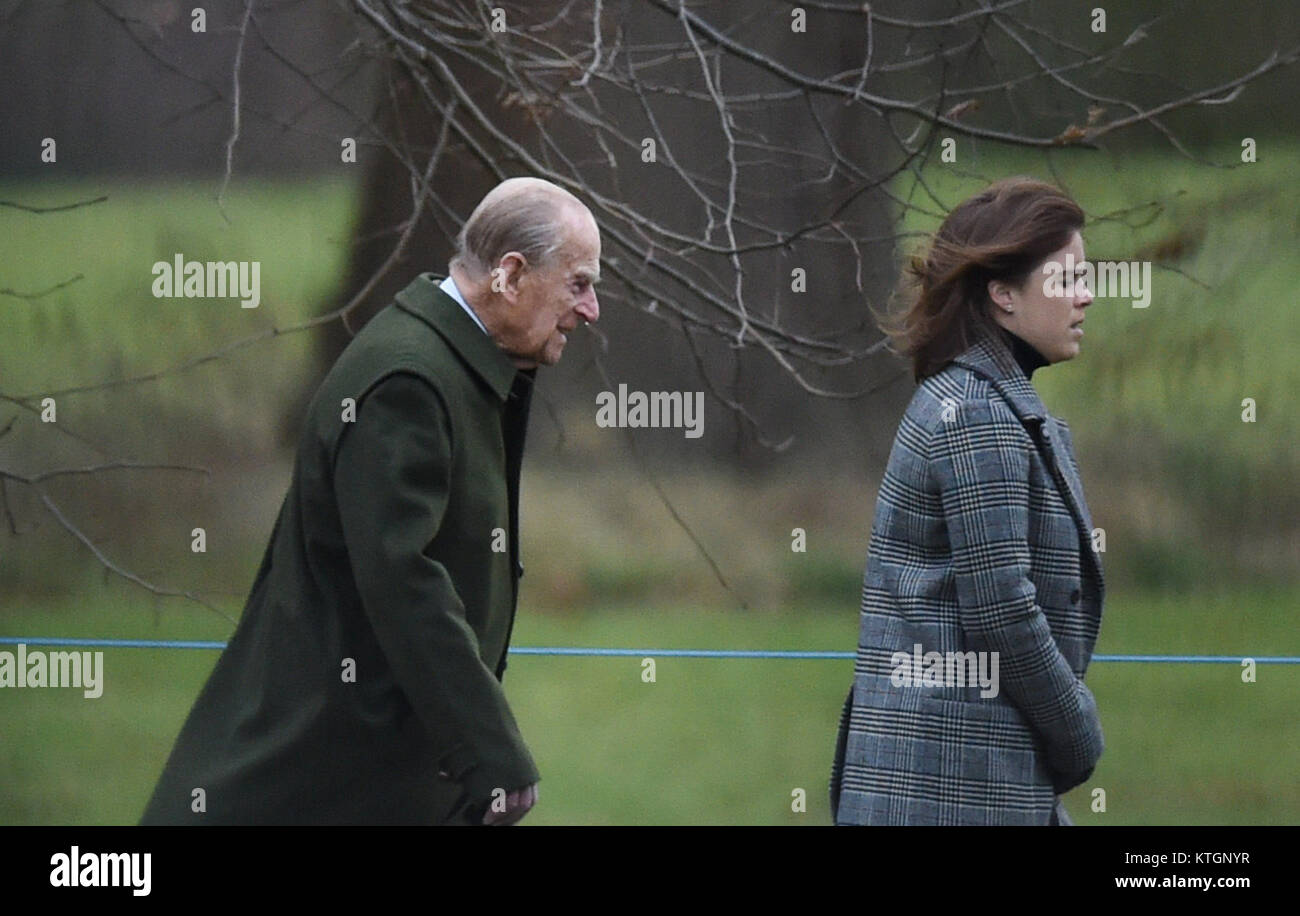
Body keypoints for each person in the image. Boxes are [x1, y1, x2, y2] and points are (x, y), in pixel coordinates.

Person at [140, 177, 601, 825]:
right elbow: (403, 579)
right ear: (511, 275)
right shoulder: (409, 380)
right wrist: (490, 751)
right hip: (323, 770)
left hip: (371, 769)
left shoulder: (451, 362)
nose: (591, 310)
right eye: (578, 284)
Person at [830, 177, 1104, 826]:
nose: (1087, 296)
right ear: (1003, 295)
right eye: (1066, 280)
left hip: (970, 780)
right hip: (949, 790)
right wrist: (1078, 733)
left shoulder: (986, 401)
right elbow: (1003, 609)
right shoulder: (976, 411)